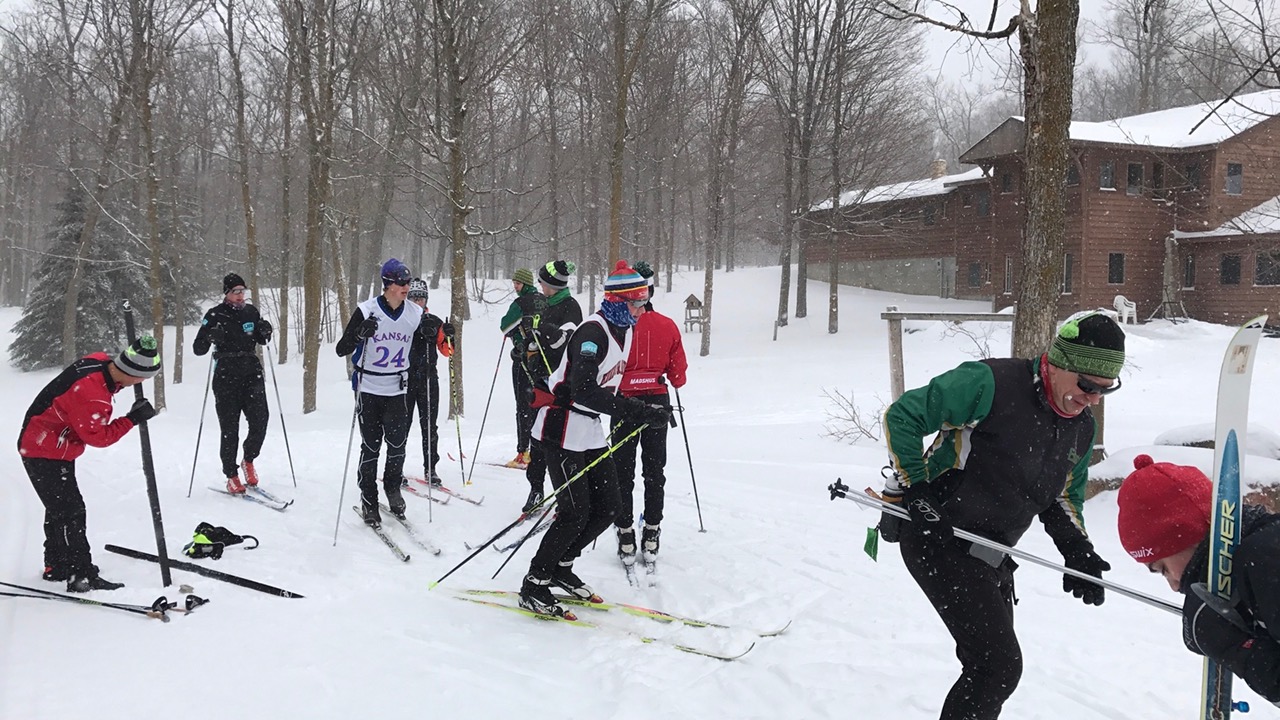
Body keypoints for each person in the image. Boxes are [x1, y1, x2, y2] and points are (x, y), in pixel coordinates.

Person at [877, 310, 1125, 719]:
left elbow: (1062, 495)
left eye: (1104, 391)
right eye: (1086, 386)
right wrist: (918, 493)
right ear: (1058, 363)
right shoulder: (990, 383)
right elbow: (902, 416)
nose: (1092, 400)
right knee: (997, 667)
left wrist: (1077, 550)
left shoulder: (1080, 428)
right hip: (938, 535)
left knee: (992, 670)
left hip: (992, 553)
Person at [519, 261, 671, 618]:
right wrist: (638, 411)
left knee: (609, 508)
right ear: (617, 301)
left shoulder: (625, 329)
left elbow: (606, 389)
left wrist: (647, 408)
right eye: (635, 301)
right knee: (574, 512)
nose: (641, 308)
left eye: (644, 299)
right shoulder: (594, 332)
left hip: (587, 430)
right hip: (561, 425)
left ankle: (561, 565)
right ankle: (534, 582)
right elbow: (583, 390)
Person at [1116, 455, 1280, 705]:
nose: (1172, 585)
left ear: (1186, 536)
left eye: (1163, 568)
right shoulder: (1258, 554)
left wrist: (1233, 647)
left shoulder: (1265, 561)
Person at [18, 336, 161, 592]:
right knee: (71, 512)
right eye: (142, 378)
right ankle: (79, 574)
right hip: (44, 449)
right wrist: (132, 419)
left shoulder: (97, 361)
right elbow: (99, 437)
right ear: (134, 375)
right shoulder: (93, 396)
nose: (141, 384)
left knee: (58, 508)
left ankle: (57, 566)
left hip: (47, 440)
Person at [336, 258, 423, 528]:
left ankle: (393, 488)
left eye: (408, 282)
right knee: (371, 446)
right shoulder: (367, 310)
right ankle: (369, 499)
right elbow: (342, 348)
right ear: (388, 284)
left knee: (397, 445)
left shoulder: (414, 312)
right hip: (369, 389)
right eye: (401, 283)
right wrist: (361, 334)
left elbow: (426, 344)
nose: (407, 287)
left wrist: (437, 334)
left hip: (397, 389)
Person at [613, 260, 686, 566]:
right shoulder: (667, 325)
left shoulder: (618, 326)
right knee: (654, 472)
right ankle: (652, 533)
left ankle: (627, 533)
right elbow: (679, 376)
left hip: (624, 403)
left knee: (622, 473)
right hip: (657, 401)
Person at [192, 272, 273, 493]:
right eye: (235, 292)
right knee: (230, 428)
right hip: (226, 374)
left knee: (260, 420)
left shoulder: (251, 312)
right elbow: (198, 349)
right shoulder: (214, 314)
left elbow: (262, 339)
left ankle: (249, 460)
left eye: (242, 291)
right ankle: (231, 474)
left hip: (251, 371)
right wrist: (211, 337)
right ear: (227, 294)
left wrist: (265, 331)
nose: (240, 296)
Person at [522, 259, 583, 513]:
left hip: (561, 386)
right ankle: (536, 488)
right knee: (535, 438)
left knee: (557, 441)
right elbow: (538, 342)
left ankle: (565, 492)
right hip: (541, 381)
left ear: (553, 286)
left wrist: (545, 332)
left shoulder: (570, 307)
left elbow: (565, 341)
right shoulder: (545, 305)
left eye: (543, 282)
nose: (539, 286)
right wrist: (527, 349)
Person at [405, 278, 454, 485]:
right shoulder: (402, 320)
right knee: (401, 426)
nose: (418, 302)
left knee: (429, 426)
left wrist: (450, 335)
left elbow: (448, 351)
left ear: (426, 300)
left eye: (421, 298)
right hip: (405, 379)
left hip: (428, 379)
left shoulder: (434, 321)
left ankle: (430, 468)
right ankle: (396, 467)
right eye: (414, 298)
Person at [498, 268, 547, 470]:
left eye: (517, 284)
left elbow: (505, 326)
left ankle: (524, 452)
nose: (515, 287)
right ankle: (539, 449)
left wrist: (517, 339)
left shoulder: (520, 303)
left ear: (525, 284)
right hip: (544, 361)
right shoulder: (545, 300)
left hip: (523, 359)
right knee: (541, 403)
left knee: (523, 406)